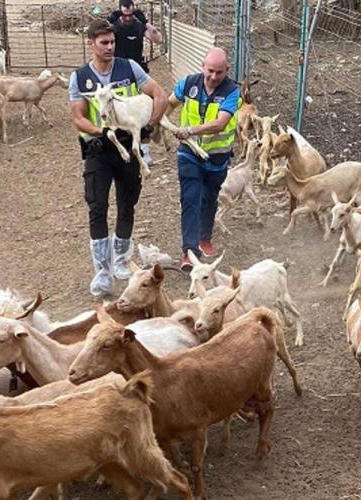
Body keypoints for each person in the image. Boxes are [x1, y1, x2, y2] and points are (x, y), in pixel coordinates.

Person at [69, 20, 167, 297]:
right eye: (104, 43)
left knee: (127, 202)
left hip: (127, 149)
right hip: (99, 150)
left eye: (112, 42)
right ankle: (102, 270)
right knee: (97, 205)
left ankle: (122, 259)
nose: (111, 47)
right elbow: (77, 117)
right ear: (91, 44)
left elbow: (158, 95)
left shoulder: (130, 68)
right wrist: (103, 130)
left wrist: (151, 125)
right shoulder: (79, 78)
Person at [169, 47, 240, 271]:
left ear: (227, 70)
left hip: (217, 158)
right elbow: (169, 103)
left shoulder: (231, 92)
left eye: (219, 72)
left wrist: (190, 130)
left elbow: (220, 123)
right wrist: (157, 122)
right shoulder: (188, 84)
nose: (213, 77)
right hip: (189, 153)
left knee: (209, 198)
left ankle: (205, 237)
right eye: (210, 71)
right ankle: (189, 252)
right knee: (190, 198)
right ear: (202, 66)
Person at [108, 0, 163, 165]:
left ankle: (144, 150)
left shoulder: (139, 26)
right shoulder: (115, 28)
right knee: (120, 112)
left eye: (130, 15)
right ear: (119, 12)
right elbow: (101, 36)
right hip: (119, 75)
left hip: (139, 74)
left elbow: (158, 39)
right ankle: (121, 146)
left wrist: (146, 23)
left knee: (143, 112)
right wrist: (109, 22)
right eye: (124, 15)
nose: (127, 18)